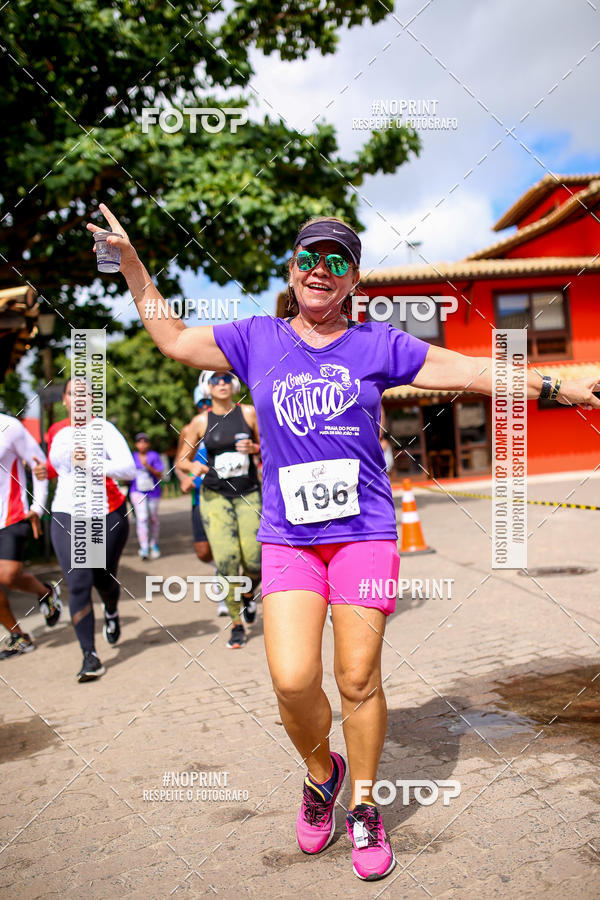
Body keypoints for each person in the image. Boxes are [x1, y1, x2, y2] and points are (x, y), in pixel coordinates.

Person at [87, 204, 600, 880]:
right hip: (290, 541)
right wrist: (130, 264)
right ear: (293, 268)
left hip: (365, 534)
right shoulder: (256, 339)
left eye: (337, 261)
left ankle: (362, 803)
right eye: (309, 257)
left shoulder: (378, 346)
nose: (320, 270)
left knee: (356, 678)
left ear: (353, 278)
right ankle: (318, 772)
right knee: (292, 678)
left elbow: (471, 372)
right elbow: (176, 340)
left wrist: (560, 385)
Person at [43, 379, 137, 681]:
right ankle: (90, 656)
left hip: (106, 512)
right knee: (79, 581)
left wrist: (92, 462)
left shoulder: (105, 430)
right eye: (74, 393)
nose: (79, 398)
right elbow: (54, 468)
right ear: (66, 400)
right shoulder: (57, 432)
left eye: (86, 393)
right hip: (67, 513)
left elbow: (128, 469)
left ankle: (111, 608)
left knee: (102, 577)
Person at [177, 371, 262, 648]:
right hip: (215, 497)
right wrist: (194, 467)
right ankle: (236, 623)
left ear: (235, 385)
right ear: (207, 388)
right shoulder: (200, 422)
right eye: (215, 380)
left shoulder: (249, 414)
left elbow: (270, 447)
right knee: (226, 560)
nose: (221, 383)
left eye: (226, 378)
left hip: (248, 493)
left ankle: (247, 596)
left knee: (254, 558)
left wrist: (255, 447)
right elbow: (182, 460)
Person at [0, 413, 62, 658]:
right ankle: (18, 637)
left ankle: (45, 592)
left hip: (12, 514)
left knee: (8, 575)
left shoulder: (9, 427)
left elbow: (40, 465)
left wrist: (37, 507)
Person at [175, 379, 228, 617]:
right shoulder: (191, 428)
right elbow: (180, 463)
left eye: (209, 402)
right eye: (202, 403)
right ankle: (226, 570)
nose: (207, 406)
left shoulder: (230, 423)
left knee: (224, 547)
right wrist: (185, 478)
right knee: (204, 552)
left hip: (227, 494)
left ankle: (226, 598)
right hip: (199, 497)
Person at [130, 432, 163, 560]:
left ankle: (154, 544)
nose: (142, 444)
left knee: (153, 518)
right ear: (136, 444)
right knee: (142, 518)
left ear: (148, 444)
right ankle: (143, 547)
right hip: (137, 492)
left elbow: (160, 474)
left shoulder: (153, 456)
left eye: (145, 441)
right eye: (139, 441)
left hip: (153, 492)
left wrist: (148, 466)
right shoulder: (132, 457)